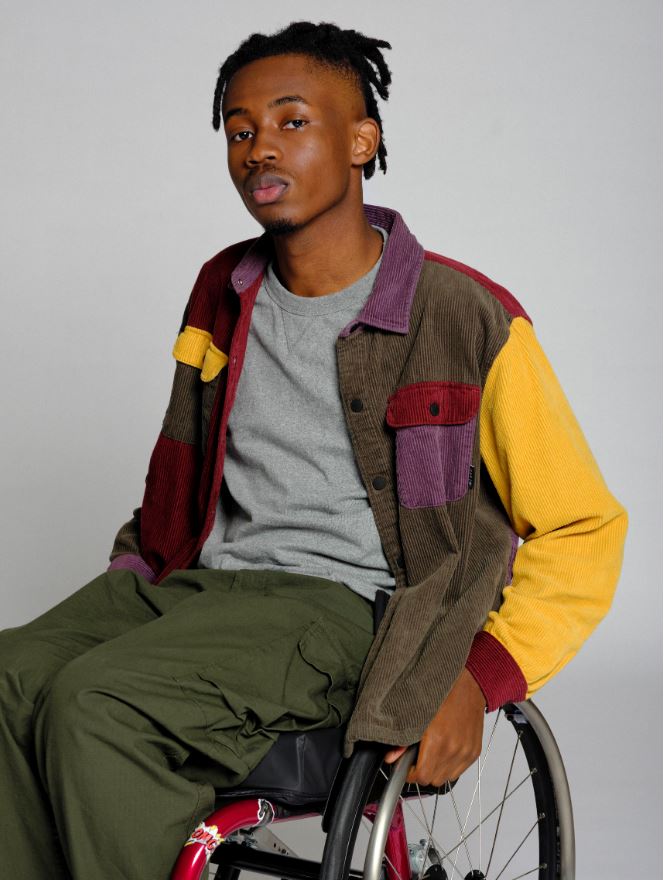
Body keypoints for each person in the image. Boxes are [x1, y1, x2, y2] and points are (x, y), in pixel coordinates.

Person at [0, 20, 627, 880]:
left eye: (292, 121)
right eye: (240, 129)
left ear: (363, 140)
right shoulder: (222, 290)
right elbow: (183, 472)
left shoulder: (466, 315)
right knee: (9, 677)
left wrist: (481, 676)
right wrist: (136, 573)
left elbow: (583, 527)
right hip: (198, 587)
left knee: (95, 706)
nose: (260, 148)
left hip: (344, 609)